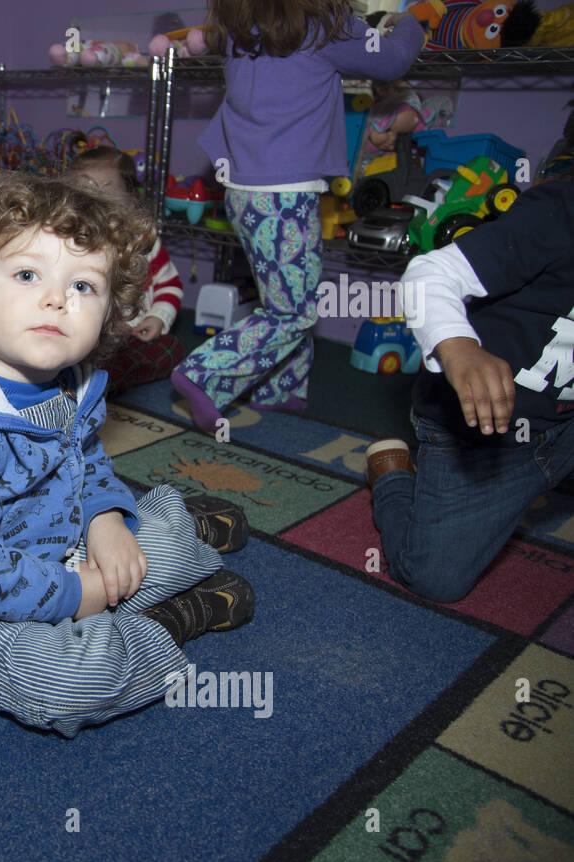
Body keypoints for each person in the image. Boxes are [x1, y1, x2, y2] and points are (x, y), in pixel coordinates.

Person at [0, 172, 255, 737]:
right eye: (28, 274)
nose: (56, 298)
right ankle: (170, 623)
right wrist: (80, 593)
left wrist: (104, 519)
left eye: (83, 287)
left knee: (143, 550)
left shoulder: (73, 381)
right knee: (69, 681)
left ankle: (176, 527)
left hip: (63, 545)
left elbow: (85, 460)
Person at [172, 0, 424, 427]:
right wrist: (412, 23)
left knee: (290, 292)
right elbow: (394, 59)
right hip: (284, 196)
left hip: (242, 189)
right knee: (294, 310)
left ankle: (281, 388)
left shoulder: (241, 26)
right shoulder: (327, 27)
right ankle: (202, 372)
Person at [365, 134, 574, 605]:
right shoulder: (560, 210)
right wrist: (458, 347)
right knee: (434, 578)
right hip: (484, 431)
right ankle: (392, 472)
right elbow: (429, 274)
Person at [64, 146, 186, 395]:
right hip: (89, 339)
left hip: (133, 338)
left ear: (130, 202)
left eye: (104, 193)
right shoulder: (70, 244)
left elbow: (170, 284)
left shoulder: (143, 242)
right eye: (81, 194)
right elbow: (67, 295)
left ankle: (97, 382)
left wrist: (158, 317)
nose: (93, 204)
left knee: (171, 348)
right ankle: (79, 377)